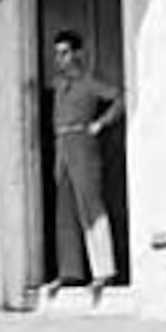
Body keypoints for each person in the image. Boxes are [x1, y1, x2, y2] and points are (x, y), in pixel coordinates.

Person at [44, 30, 122, 289]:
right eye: (57, 54)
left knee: (91, 205)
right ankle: (69, 270)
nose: (60, 59)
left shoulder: (89, 83)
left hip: (82, 143)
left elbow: (119, 97)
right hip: (62, 146)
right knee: (65, 210)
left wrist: (101, 123)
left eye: (65, 53)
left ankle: (104, 270)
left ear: (77, 54)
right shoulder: (59, 85)